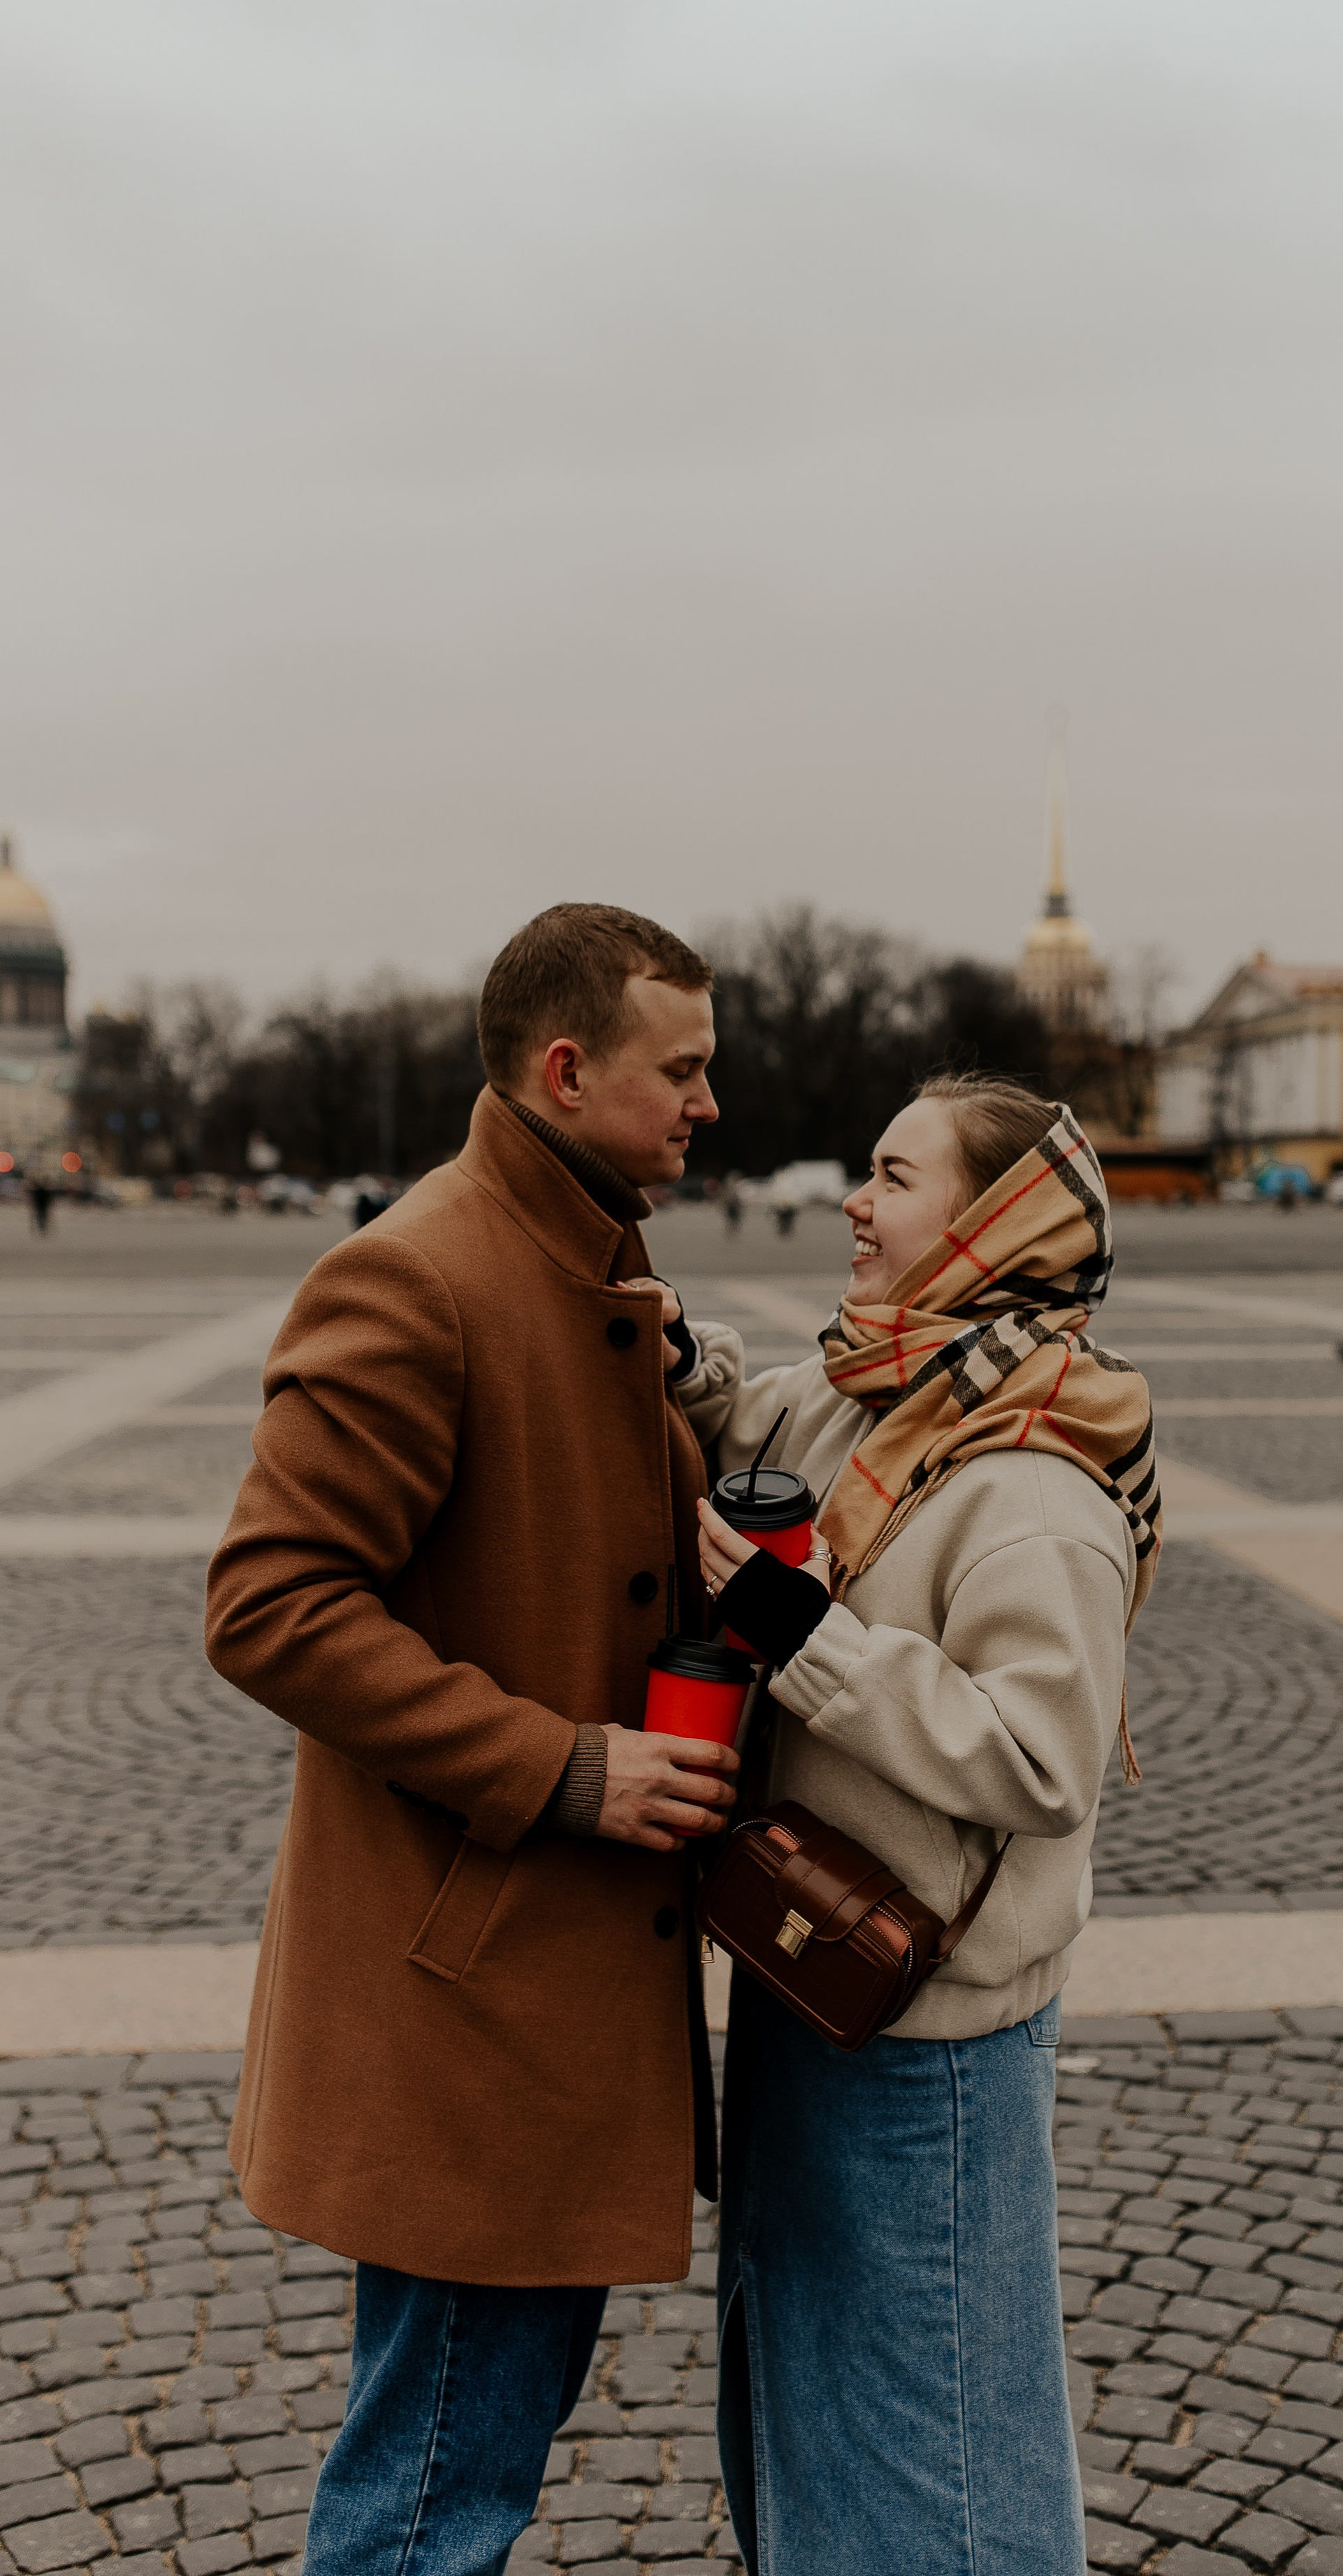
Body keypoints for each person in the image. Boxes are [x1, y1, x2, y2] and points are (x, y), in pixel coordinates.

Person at [205, 903, 738, 2576]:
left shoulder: (581, 1252)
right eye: (683, 1069)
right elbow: (271, 1602)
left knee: (455, 2457)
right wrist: (564, 1761)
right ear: (567, 1071)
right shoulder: (424, 1270)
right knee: (434, 2486)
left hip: (525, 1988)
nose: (709, 1103)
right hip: (474, 1999)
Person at [675, 1073, 1159, 2576]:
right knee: (821, 2407)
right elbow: (761, 1428)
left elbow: (1040, 1757)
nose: (852, 1201)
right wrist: (670, 1359)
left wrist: (797, 1637)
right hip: (808, 1977)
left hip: (925, 2036)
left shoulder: (1030, 1481)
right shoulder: (876, 1388)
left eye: (890, 1176)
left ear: (987, 1227)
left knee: (938, 2447)